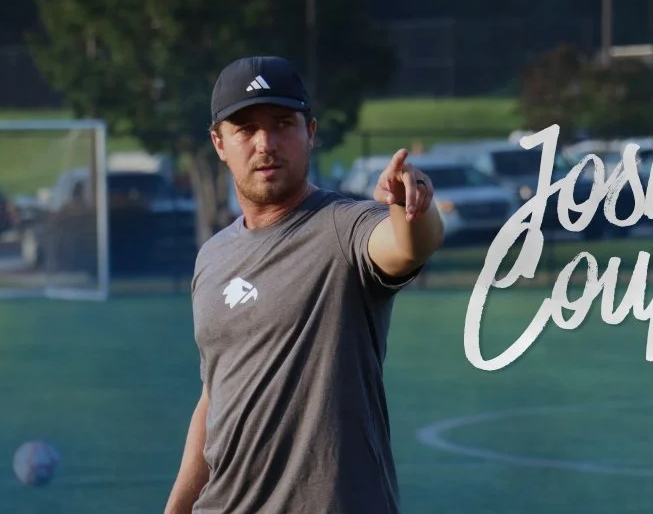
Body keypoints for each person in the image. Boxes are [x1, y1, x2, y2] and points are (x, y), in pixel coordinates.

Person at [164, 55, 445, 514]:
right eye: (246, 129)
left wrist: (413, 205)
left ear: (310, 132)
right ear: (219, 143)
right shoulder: (212, 258)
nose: (265, 143)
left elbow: (408, 245)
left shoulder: (343, 228)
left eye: (281, 124)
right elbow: (215, 396)